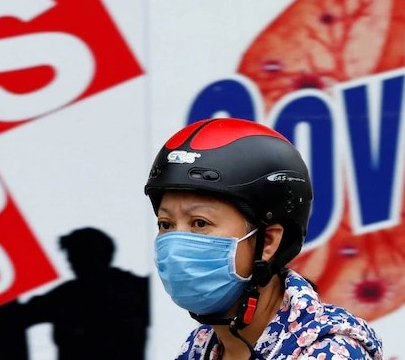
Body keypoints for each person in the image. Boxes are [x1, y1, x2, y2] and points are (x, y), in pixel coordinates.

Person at [145, 118, 383, 360]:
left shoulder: (328, 352)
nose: (176, 244)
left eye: (200, 223)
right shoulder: (200, 346)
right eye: (166, 224)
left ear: (268, 242)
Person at [22, 227, 149, 359]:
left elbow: (18, 318)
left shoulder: (66, 296)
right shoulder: (139, 289)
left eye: (74, 256)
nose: (70, 263)